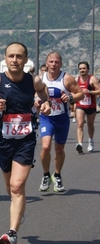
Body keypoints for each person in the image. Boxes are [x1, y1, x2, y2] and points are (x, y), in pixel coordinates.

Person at [0, 42, 51, 244]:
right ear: (5, 58)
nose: (15, 60)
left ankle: (12, 234)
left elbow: (43, 93)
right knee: (10, 188)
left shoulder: (33, 80)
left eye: (19, 56)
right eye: (11, 56)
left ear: (25, 60)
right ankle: (18, 210)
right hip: (3, 140)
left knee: (18, 186)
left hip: (25, 139)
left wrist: (44, 103)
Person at [37, 52, 83, 193]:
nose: (53, 64)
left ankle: (57, 174)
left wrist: (69, 97)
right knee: (45, 147)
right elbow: (33, 93)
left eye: (56, 62)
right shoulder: (40, 79)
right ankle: (46, 175)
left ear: (61, 64)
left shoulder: (66, 78)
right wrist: (36, 101)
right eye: (51, 61)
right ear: (46, 63)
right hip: (46, 118)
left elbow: (80, 93)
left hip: (62, 118)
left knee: (59, 149)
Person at [75, 61, 100, 153]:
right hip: (80, 105)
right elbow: (72, 90)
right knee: (80, 123)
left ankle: (91, 141)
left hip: (91, 105)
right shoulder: (76, 79)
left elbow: (99, 91)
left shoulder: (92, 79)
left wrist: (89, 92)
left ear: (88, 69)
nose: (82, 70)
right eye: (80, 68)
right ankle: (80, 144)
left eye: (84, 68)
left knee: (90, 125)